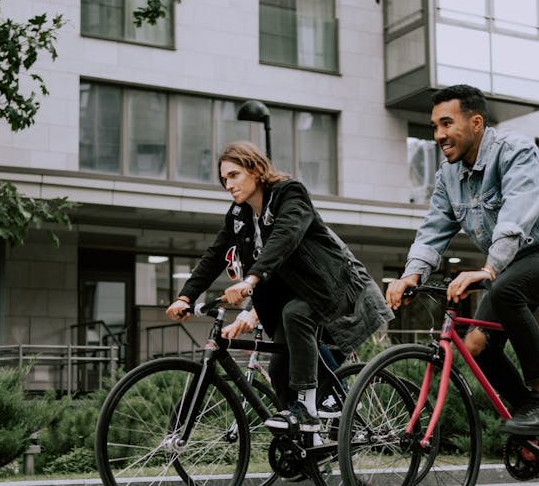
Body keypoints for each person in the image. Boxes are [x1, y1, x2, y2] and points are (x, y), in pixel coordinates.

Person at [386, 84, 539, 436]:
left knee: (504, 288)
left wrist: (488, 268)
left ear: (476, 123)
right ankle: (529, 413)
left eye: (447, 124)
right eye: (435, 126)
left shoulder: (515, 151)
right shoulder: (448, 176)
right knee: (476, 345)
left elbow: (516, 214)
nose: (439, 135)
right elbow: (433, 229)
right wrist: (411, 276)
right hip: (514, 267)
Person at [166, 140, 392, 432]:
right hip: (291, 300)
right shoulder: (239, 215)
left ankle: (309, 410)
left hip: (331, 288)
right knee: (278, 369)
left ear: (256, 169)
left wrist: (250, 280)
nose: (228, 185)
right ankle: (305, 450)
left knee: (296, 315)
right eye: (223, 179)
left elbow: (285, 237)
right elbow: (214, 256)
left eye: (234, 175)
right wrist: (185, 297)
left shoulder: (290, 193)